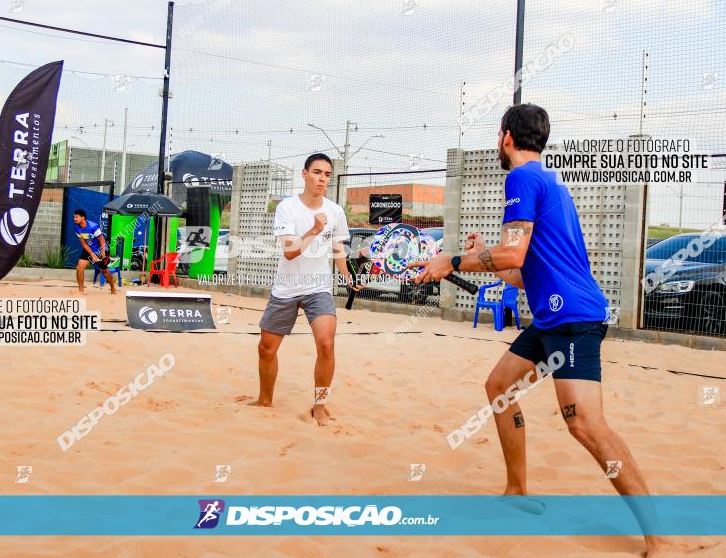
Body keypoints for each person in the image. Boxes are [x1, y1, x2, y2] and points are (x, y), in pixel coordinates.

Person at [411, 104, 678, 556]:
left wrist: (451, 260)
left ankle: (660, 537)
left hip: (573, 319)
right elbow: (520, 272)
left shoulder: (522, 178)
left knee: (587, 427)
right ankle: (517, 490)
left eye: (499, 135)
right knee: (499, 386)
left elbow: (513, 256)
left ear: (506, 137)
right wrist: (483, 255)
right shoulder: (548, 181)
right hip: (553, 316)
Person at [250, 153, 358, 426]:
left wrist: (347, 276)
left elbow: (338, 250)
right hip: (286, 287)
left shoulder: (335, 211)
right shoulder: (287, 207)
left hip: (318, 288)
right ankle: (264, 400)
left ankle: (319, 405)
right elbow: (289, 252)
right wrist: (313, 230)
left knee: (326, 344)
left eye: (327, 174)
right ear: (304, 174)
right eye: (317, 172)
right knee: (266, 348)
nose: (322, 179)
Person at [72, 209, 117, 295]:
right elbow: (84, 244)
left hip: (100, 249)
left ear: (83, 217)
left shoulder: (93, 226)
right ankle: (81, 290)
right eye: (74, 217)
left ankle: (112, 288)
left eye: (76, 217)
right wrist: (92, 254)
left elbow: (102, 240)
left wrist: (103, 253)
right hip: (89, 249)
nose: (75, 219)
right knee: (79, 268)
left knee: (105, 272)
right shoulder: (77, 228)